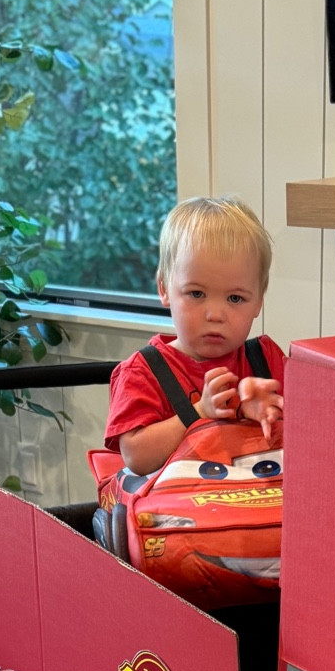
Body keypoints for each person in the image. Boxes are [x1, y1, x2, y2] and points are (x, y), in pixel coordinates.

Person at [104, 195, 286, 475]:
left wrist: (278, 412)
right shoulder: (142, 372)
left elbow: (319, 429)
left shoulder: (267, 360)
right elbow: (135, 457)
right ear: (164, 289)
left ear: (259, 301)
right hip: (184, 514)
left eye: (235, 298)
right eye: (196, 294)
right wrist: (199, 412)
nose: (215, 314)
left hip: (260, 508)